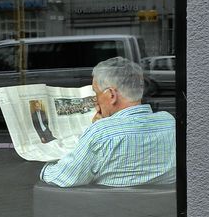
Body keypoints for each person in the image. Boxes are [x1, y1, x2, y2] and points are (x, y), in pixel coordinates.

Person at [40, 57, 176, 187]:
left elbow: (61, 177)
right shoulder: (170, 123)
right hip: (159, 209)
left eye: (96, 93)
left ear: (111, 95)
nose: (95, 100)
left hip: (106, 209)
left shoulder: (100, 133)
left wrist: (44, 169)